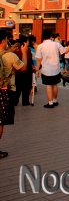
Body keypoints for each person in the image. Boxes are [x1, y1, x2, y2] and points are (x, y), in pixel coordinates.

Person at [0, 30, 28, 158]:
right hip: (5, 90)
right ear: (3, 41)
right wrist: (24, 53)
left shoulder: (4, 54)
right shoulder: (10, 56)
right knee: (0, 121)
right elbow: (23, 68)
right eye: (6, 39)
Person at [35, 30, 69, 108]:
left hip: (46, 69)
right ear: (51, 36)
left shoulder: (40, 46)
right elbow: (65, 51)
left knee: (48, 85)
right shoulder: (56, 44)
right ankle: (54, 100)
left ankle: (50, 103)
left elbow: (38, 59)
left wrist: (37, 70)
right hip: (56, 68)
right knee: (55, 84)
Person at [13, 36, 34, 106]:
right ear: (25, 42)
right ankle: (25, 101)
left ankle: (15, 101)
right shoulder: (27, 50)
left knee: (18, 87)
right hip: (26, 71)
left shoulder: (16, 50)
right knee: (26, 87)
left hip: (17, 72)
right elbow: (29, 61)